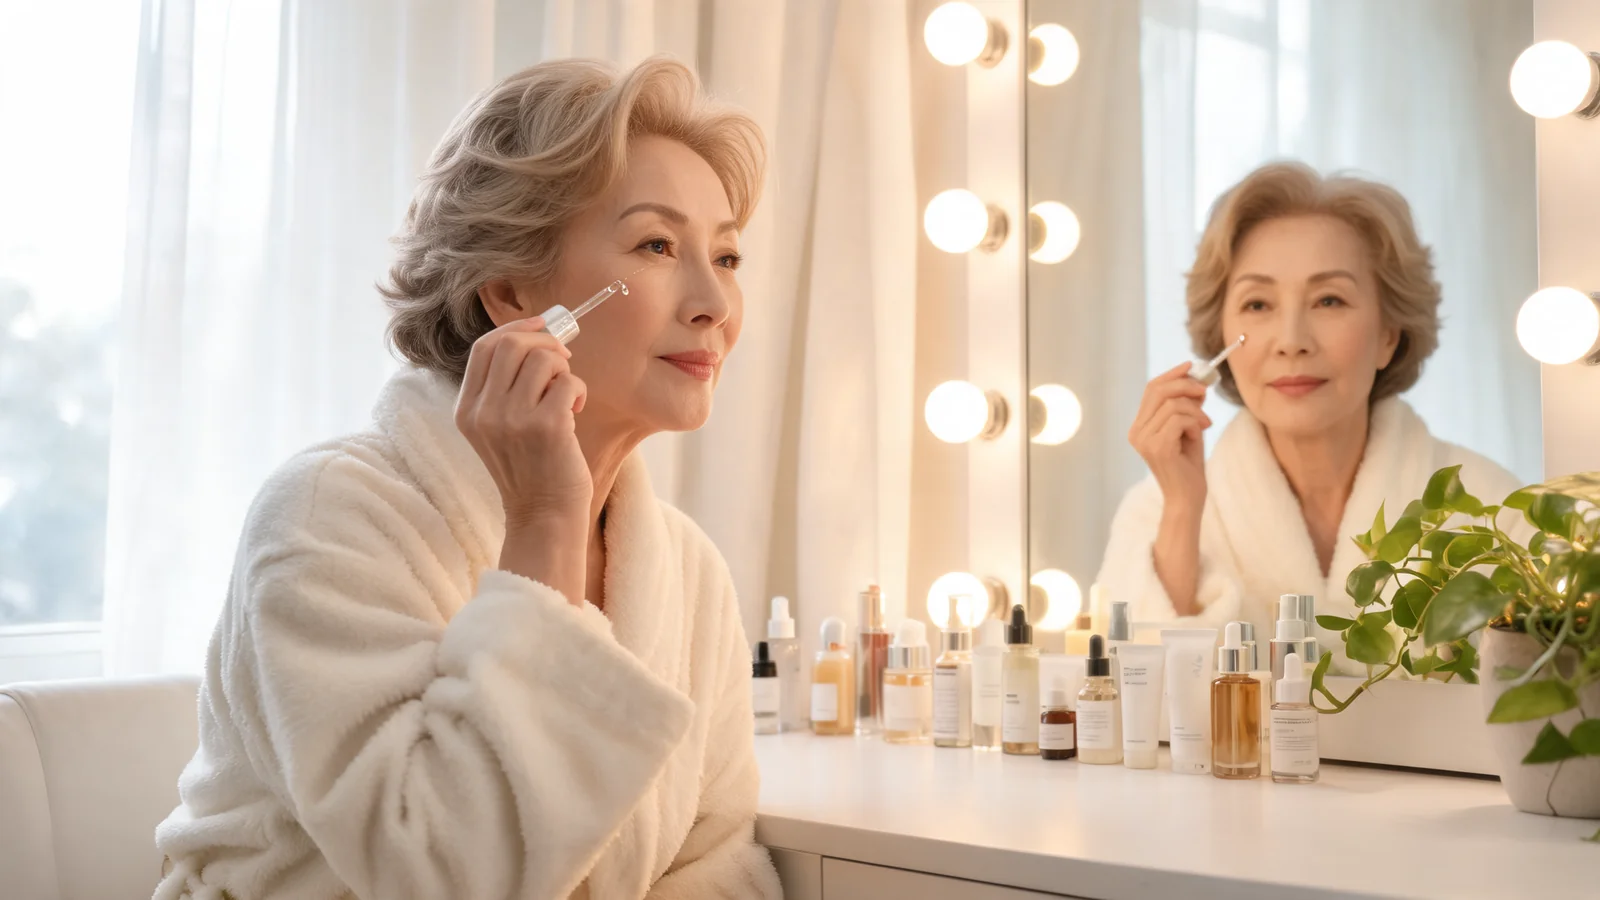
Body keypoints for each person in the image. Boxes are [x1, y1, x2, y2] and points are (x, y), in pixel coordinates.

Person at [153, 57, 781, 899]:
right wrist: (547, 522)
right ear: (514, 293)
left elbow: (717, 868)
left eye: (729, 255)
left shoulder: (689, 571)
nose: (714, 303)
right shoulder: (328, 517)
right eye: (658, 245)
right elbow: (449, 874)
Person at [1095, 162, 1523, 675]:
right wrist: (1183, 510)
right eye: (1257, 304)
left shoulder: (1492, 508)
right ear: (1220, 340)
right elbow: (1132, 700)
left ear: (1389, 333)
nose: (1292, 339)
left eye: (1329, 299)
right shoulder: (1155, 514)